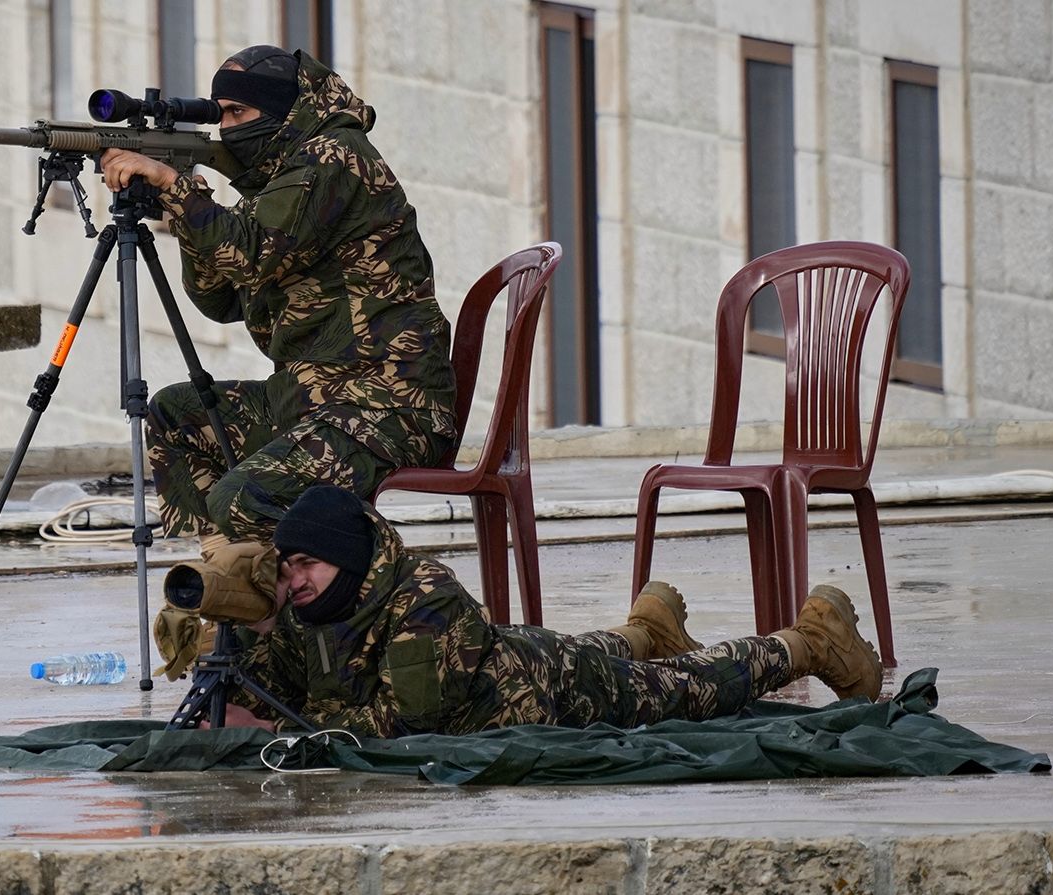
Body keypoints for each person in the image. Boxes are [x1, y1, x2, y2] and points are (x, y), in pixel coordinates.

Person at [97, 46, 456, 557]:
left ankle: (367, 599)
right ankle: (233, 594)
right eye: (219, 114)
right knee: (175, 415)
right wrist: (186, 206)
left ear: (286, 110)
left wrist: (178, 191)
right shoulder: (275, 182)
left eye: (239, 113)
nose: (226, 128)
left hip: (386, 407)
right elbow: (219, 300)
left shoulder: (334, 154)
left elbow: (252, 256)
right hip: (312, 401)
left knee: (244, 496)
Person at [181, 485, 885, 736]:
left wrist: (272, 724)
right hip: (520, 657)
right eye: (289, 566)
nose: (296, 579)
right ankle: (646, 628)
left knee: (693, 688)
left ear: (349, 557)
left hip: (552, 693)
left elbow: (403, 723)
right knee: (602, 648)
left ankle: (810, 636)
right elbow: (281, 684)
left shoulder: (423, 599)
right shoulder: (319, 609)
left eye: (308, 564)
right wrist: (263, 624)